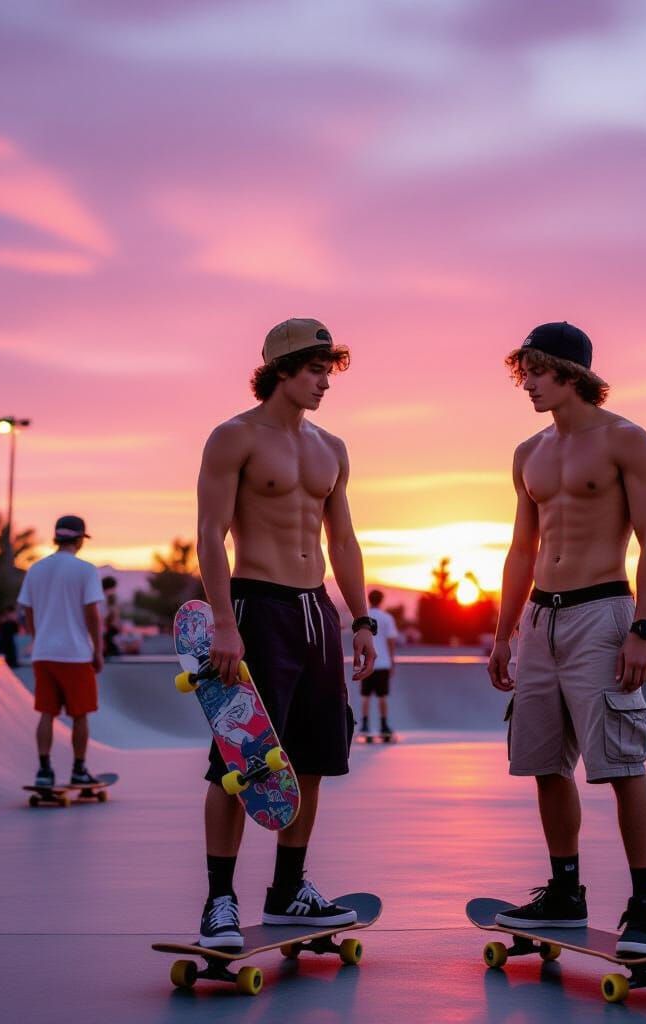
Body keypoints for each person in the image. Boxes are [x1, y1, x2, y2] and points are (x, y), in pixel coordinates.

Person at [194, 317, 376, 951]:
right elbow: (209, 536)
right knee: (239, 763)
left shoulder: (332, 447)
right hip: (255, 608)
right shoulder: (233, 438)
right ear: (280, 371)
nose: (326, 381)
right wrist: (222, 620)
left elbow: (343, 540)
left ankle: (289, 890)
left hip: (314, 612)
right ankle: (219, 901)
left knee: (315, 758)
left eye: (330, 369)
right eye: (315, 369)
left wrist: (359, 618)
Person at [487, 322, 646, 957]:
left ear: (572, 373)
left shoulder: (626, 439)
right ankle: (566, 891)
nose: (528, 384)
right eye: (524, 372)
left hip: (604, 612)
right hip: (541, 618)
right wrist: (504, 632)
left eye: (538, 371)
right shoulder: (528, 452)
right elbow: (521, 548)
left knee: (621, 763)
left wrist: (644, 628)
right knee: (543, 762)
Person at [17, 515, 104, 788]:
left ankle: (44, 770)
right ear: (79, 540)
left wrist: (37, 637)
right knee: (80, 714)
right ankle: (79, 769)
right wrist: (98, 649)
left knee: (46, 712)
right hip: (75, 654)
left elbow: (26, 609)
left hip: (43, 653)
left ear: (57, 538)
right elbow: (92, 613)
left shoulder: (35, 569)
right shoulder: (86, 570)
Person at [360, 589, 400, 739]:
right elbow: (391, 641)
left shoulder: (364, 617)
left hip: (367, 663)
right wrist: (392, 662)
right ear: (381, 600)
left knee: (365, 696)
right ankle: (383, 725)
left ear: (369, 600)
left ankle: (365, 725)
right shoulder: (387, 618)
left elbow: (359, 640)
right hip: (383, 663)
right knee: (382, 695)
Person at [102, 576, 121, 658]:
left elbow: (112, 611)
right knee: (109, 642)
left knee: (109, 641)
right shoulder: (109, 596)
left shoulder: (108, 596)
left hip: (109, 625)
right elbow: (111, 612)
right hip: (109, 624)